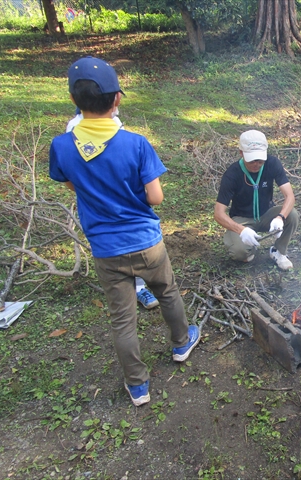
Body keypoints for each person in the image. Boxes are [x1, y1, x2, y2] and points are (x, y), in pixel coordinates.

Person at [49, 56, 200, 407]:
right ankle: (181, 343)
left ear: (73, 100)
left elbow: (72, 184)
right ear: (116, 99)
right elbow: (156, 197)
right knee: (167, 291)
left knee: (122, 319)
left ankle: (137, 385)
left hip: (105, 248)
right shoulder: (136, 143)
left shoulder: (61, 146)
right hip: (146, 242)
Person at [66, 107, 160, 309]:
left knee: (122, 313)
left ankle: (139, 287)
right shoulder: (74, 130)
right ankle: (134, 290)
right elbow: (156, 196)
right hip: (106, 216)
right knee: (162, 285)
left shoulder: (115, 123)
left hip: (121, 215)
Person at [214, 130, 299, 270]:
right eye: (252, 160)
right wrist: (241, 230)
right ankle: (248, 247)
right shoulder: (232, 174)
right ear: (241, 153)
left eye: (260, 160)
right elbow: (218, 214)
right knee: (240, 253)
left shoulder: (272, 163)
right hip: (242, 218)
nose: (256, 164)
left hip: (267, 214)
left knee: (292, 214)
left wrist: (280, 217)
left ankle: (278, 251)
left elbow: (289, 196)